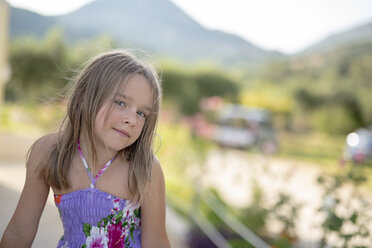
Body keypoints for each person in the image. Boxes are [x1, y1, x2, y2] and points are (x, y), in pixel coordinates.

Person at [0, 50, 170, 248]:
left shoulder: (145, 168)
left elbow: (156, 242)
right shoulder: (49, 153)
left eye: (141, 113)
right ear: (84, 96)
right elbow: (20, 232)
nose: (131, 120)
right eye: (120, 102)